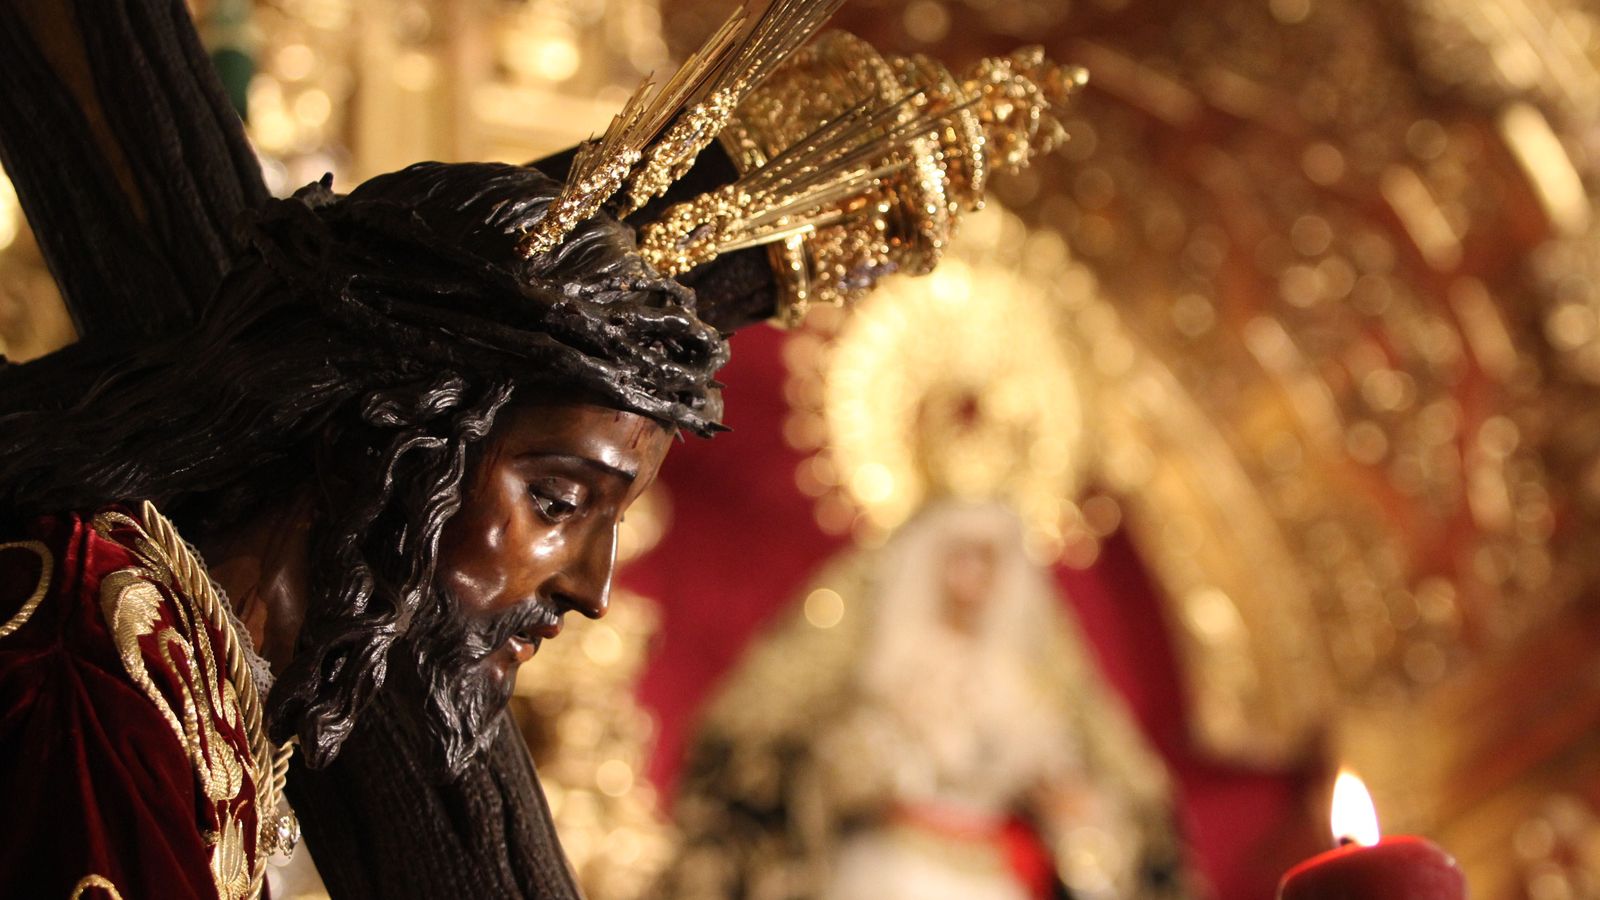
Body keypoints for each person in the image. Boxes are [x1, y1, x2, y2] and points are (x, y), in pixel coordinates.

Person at [0, 2, 1081, 897]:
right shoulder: (88, 651)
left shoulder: (211, 692)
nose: (592, 589)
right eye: (558, 501)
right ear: (392, 426)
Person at [659, 503, 1191, 900]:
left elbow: (1066, 769)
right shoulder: (887, 654)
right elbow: (811, 750)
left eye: (989, 562)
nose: (974, 578)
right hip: (892, 861)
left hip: (988, 871)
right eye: (961, 557)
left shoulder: (1020, 672)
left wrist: (1074, 807)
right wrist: (869, 767)